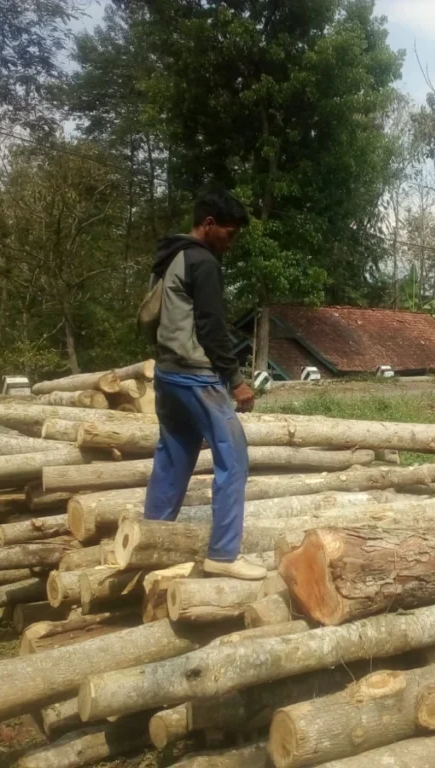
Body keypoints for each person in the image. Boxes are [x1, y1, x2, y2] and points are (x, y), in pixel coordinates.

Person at [143, 190, 265, 580]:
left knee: (173, 457)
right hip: (196, 375)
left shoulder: (170, 257)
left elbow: (152, 318)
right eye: (229, 234)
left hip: (167, 373)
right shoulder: (203, 262)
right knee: (234, 458)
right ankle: (224, 554)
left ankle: (149, 545)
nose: (231, 243)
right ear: (208, 225)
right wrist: (236, 381)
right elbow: (212, 327)